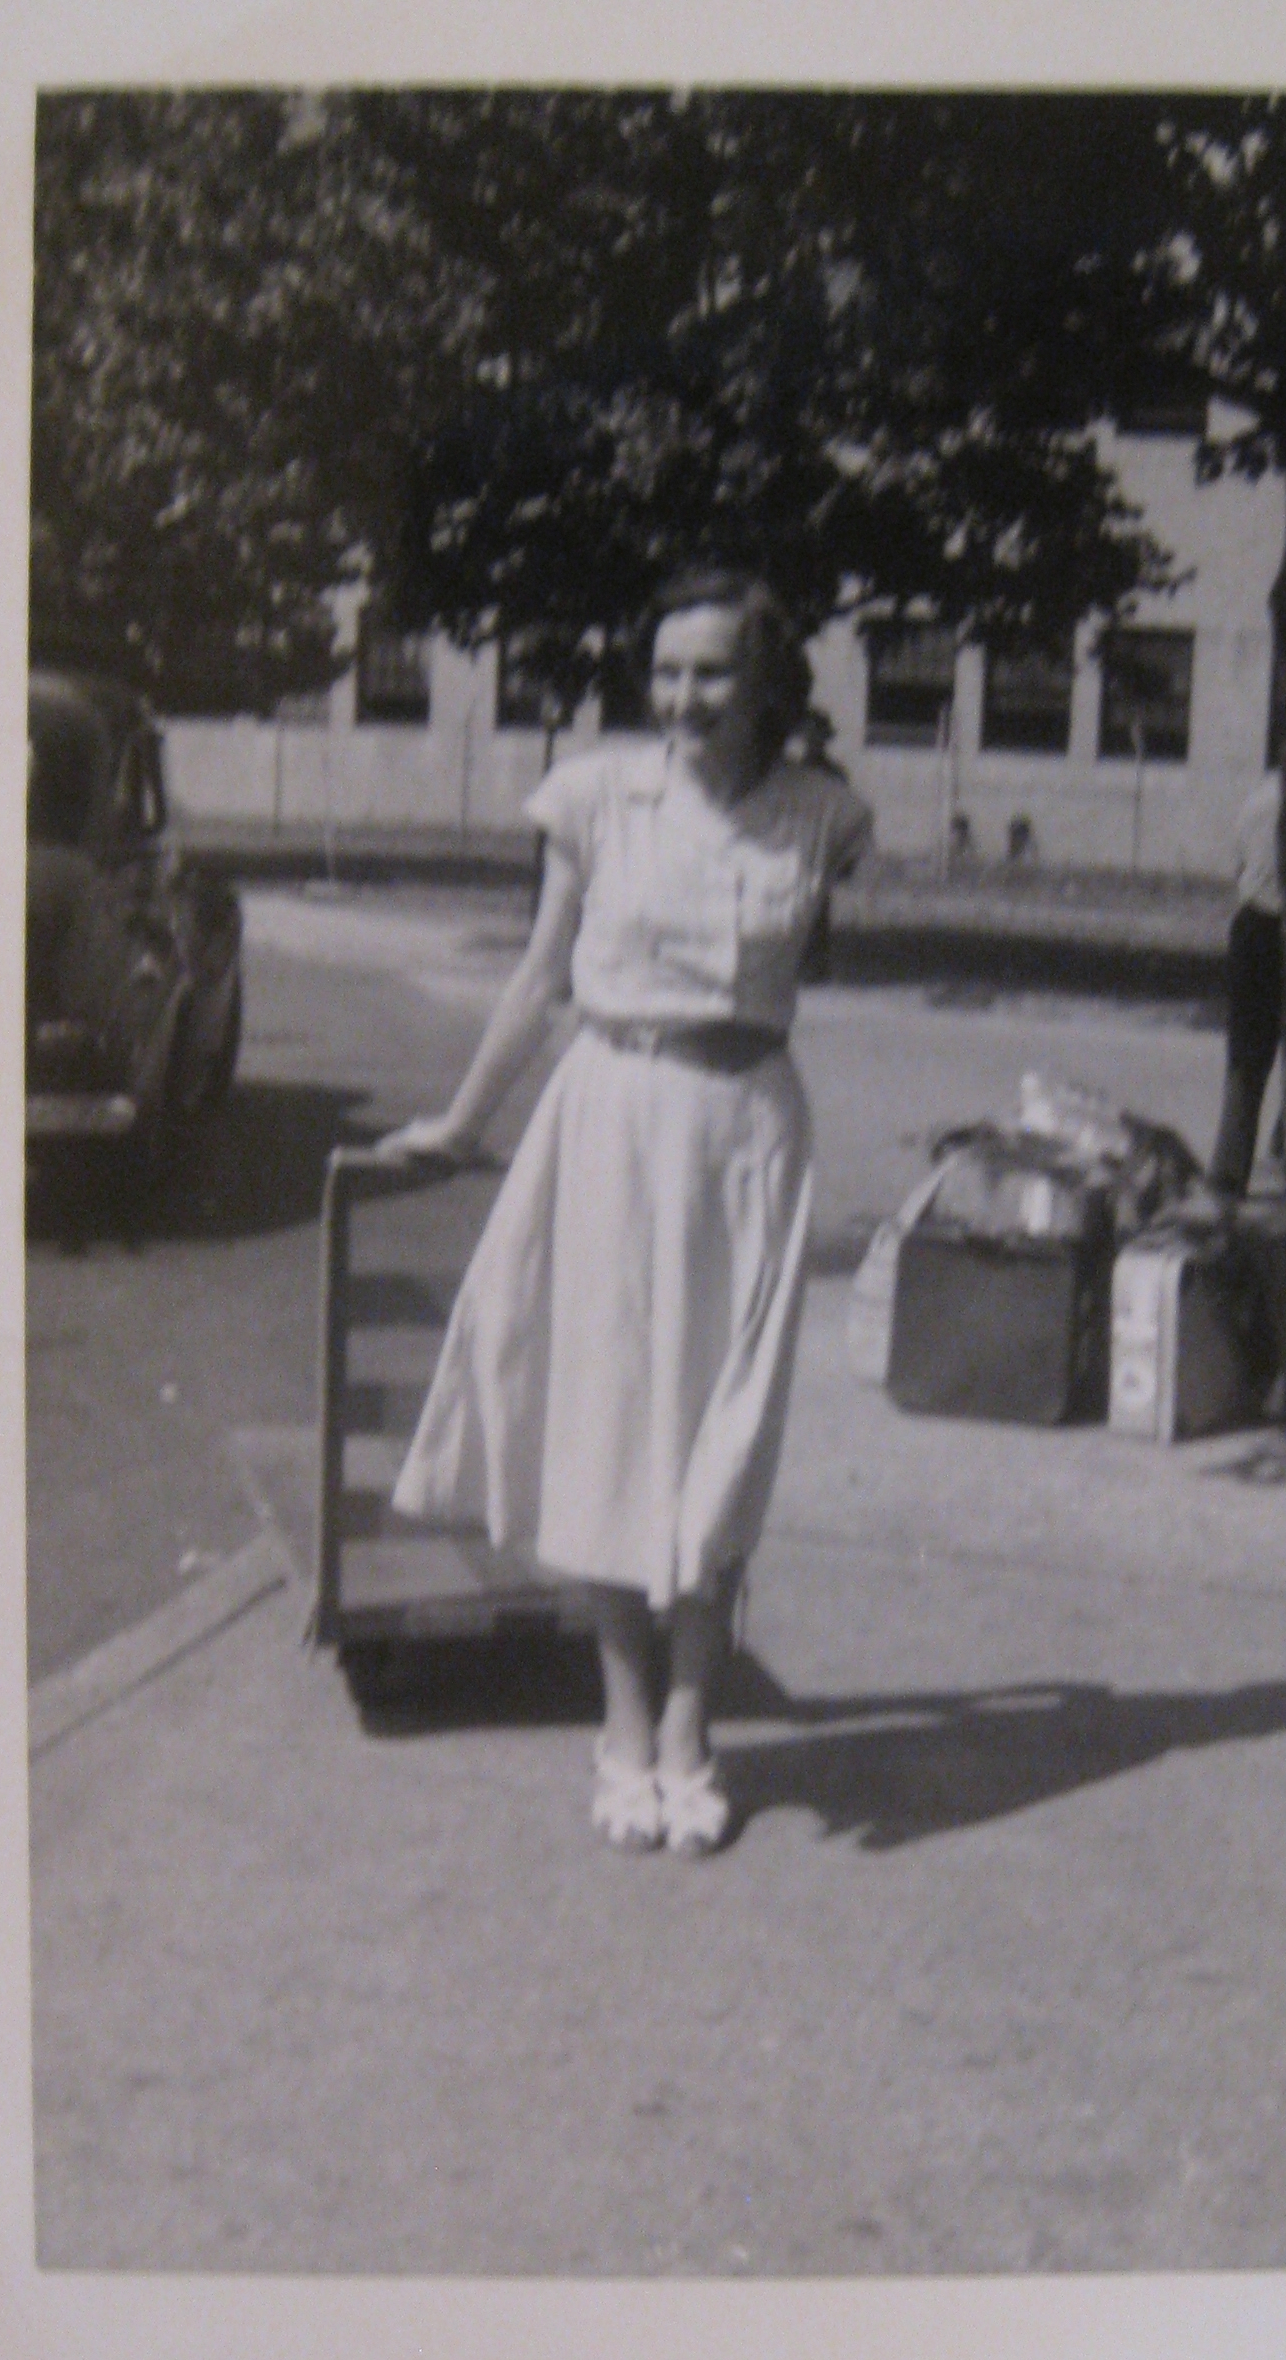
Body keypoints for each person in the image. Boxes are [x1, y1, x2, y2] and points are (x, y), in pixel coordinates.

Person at [376, 571, 873, 1856]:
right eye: (665, 671)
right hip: (609, 1118)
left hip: (746, 1134)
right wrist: (461, 1123)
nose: (681, 696)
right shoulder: (592, 796)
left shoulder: (825, 814)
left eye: (711, 672)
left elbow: (795, 961)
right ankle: (623, 1722)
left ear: (764, 683)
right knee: (607, 1424)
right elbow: (542, 975)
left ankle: (692, 1728)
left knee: (722, 1437)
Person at [1208, 769, 1284, 1194]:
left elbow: (1238, 865)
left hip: (1252, 923)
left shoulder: (1258, 798)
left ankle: (1229, 1166)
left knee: (1246, 1054)